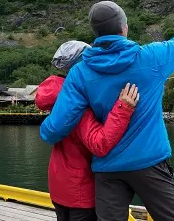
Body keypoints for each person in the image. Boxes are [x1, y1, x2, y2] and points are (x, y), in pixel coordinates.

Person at [39, 1, 174, 221]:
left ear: (95, 33)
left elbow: (53, 130)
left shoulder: (79, 73)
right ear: (124, 28)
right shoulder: (152, 57)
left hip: (107, 170)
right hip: (150, 162)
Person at [36, 41, 139, 221]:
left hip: (60, 185)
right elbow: (100, 143)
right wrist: (123, 108)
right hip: (80, 191)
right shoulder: (77, 105)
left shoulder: (60, 99)